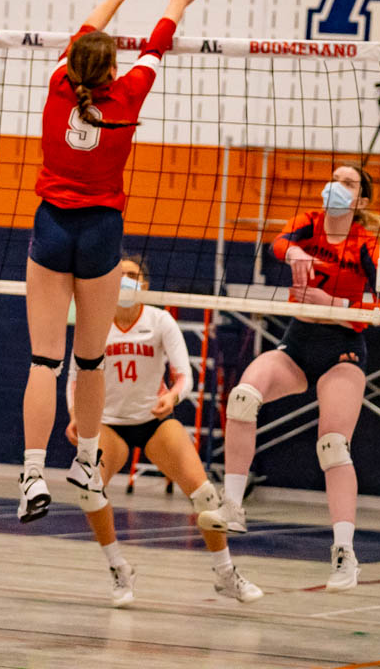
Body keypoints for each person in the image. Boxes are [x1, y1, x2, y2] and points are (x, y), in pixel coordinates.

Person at [18, 0, 208, 523]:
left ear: (74, 65)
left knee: (43, 362)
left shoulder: (56, 84)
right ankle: (85, 458)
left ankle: (31, 476)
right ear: (110, 73)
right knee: (92, 359)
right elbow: (157, 42)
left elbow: (89, 29)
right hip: (101, 231)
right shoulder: (127, 96)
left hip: (52, 225)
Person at [200, 165, 380, 592]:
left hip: (342, 350)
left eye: (348, 183)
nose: (336, 187)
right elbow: (278, 242)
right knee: (242, 398)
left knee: (332, 445)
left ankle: (345, 554)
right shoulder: (309, 224)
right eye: (335, 178)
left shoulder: (366, 245)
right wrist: (294, 255)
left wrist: (334, 301)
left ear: (361, 200)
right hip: (298, 341)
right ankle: (233, 506)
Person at [66, 256, 262, 606]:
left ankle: (225, 573)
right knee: (88, 490)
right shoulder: (93, 322)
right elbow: (74, 378)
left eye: (133, 276)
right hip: (107, 424)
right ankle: (119, 568)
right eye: (120, 275)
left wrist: (172, 396)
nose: (125, 281)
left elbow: (185, 374)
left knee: (204, 494)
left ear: (145, 284)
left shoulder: (160, 320)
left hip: (153, 421)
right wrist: (75, 415)